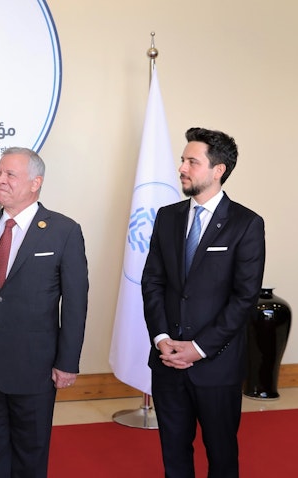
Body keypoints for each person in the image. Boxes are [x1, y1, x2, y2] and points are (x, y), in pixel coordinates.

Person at [0, 147, 89, 478]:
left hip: (36, 366)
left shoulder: (64, 230)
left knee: (30, 450)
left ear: (35, 183)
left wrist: (67, 362)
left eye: (10, 175)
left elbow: (75, 302)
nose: (0, 180)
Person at [142, 127, 265, 478]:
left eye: (192, 161)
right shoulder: (167, 217)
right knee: (174, 454)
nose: (182, 167)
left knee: (221, 454)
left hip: (217, 366)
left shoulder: (246, 224)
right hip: (167, 362)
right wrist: (162, 338)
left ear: (218, 170)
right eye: (182, 160)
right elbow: (153, 282)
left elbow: (244, 298)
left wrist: (198, 347)